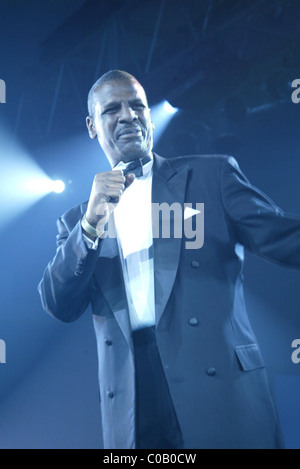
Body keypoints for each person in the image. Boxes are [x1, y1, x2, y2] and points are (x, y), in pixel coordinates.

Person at [38, 70, 300, 449]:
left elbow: (283, 236)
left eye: (137, 106)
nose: (128, 115)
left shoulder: (210, 176)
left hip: (216, 382)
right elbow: (57, 303)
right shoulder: (77, 220)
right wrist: (91, 223)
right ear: (92, 126)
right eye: (112, 109)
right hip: (133, 395)